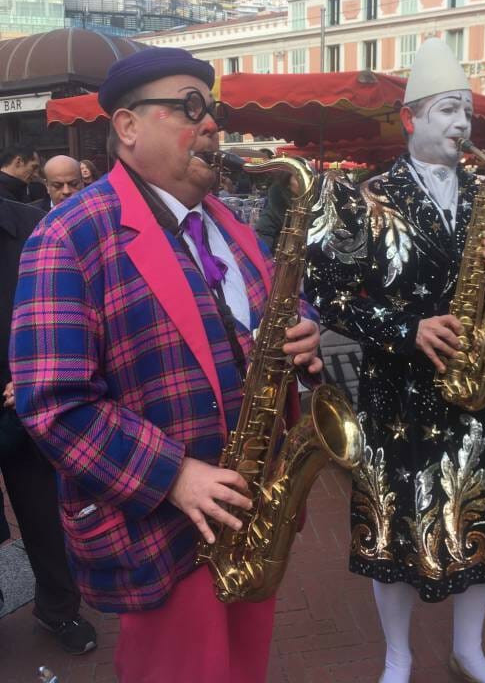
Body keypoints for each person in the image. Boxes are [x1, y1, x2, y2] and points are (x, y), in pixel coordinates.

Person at [10, 46, 322, 683]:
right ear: (127, 127)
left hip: (250, 511)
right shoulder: (67, 235)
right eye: (189, 108)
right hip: (160, 529)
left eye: (212, 110)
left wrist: (304, 328)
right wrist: (174, 475)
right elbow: (52, 403)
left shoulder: (229, 223)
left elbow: (277, 300)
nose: (212, 125)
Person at [305, 38, 485, 683]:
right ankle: (399, 654)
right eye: (448, 110)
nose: (461, 125)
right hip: (402, 395)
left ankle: (469, 650)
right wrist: (403, 328)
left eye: (468, 114)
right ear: (411, 118)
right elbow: (327, 292)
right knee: (394, 533)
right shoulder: (367, 197)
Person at [0, 196, 97, 653]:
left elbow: (68, 306)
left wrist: (34, 373)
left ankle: (58, 609)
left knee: (44, 516)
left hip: (27, 405)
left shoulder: (35, 227)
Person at [255, 172, 300, 252]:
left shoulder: (308, 204)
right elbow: (262, 251)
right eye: (298, 178)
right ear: (288, 184)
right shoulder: (271, 214)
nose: (304, 182)